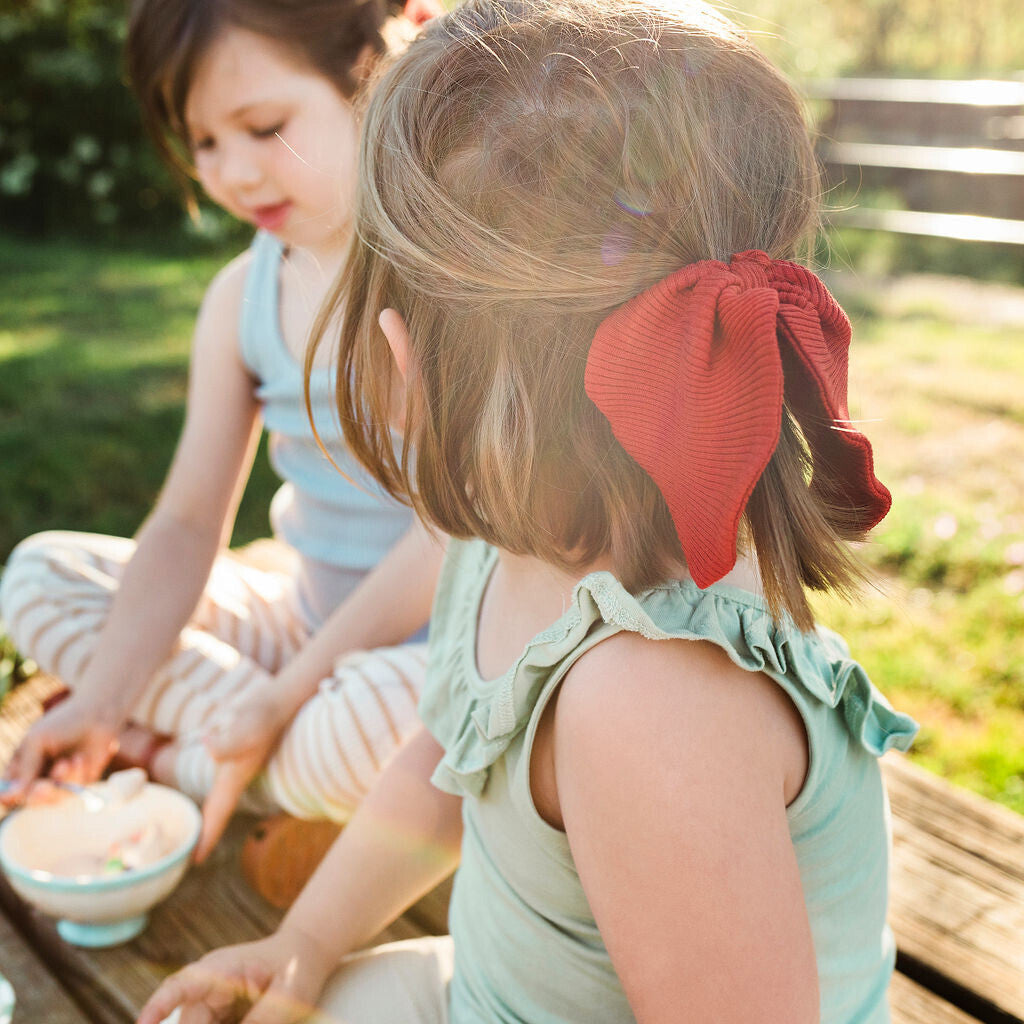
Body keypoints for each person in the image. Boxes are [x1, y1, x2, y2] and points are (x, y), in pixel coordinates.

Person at [136, 0, 920, 1020]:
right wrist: (305, 942)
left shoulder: (650, 704)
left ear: (402, 363)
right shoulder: (499, 544)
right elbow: (445, 758)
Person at [0, 0, 445, 877]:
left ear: (375, 70)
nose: (234, 173)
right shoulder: (240, 298)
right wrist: (100, 699)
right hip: (305, 619)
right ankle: (248, 754)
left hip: (443, 643)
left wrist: (284, 698)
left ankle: (181, 760)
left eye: (264, 127)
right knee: (40, 576)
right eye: (204, 142)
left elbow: (452, 536)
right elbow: (187, 523)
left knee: (382, 728)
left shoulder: (444, 280)